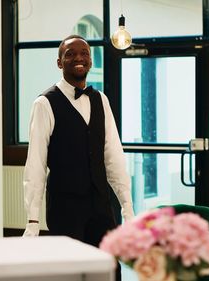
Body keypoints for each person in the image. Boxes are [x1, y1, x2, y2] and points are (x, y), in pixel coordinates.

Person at [22, 35, 134, 278]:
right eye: (70, 54)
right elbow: (36, 164)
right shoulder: (44, 103)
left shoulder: (101, 100)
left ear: (91, 61)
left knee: (109, 271)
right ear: (60, 63)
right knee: (70, 273)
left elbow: (113, 155)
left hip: (101, 205)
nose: (78, 58)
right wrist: (32, 221)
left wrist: (127, 206)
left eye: (84, 53)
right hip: (65, 207)